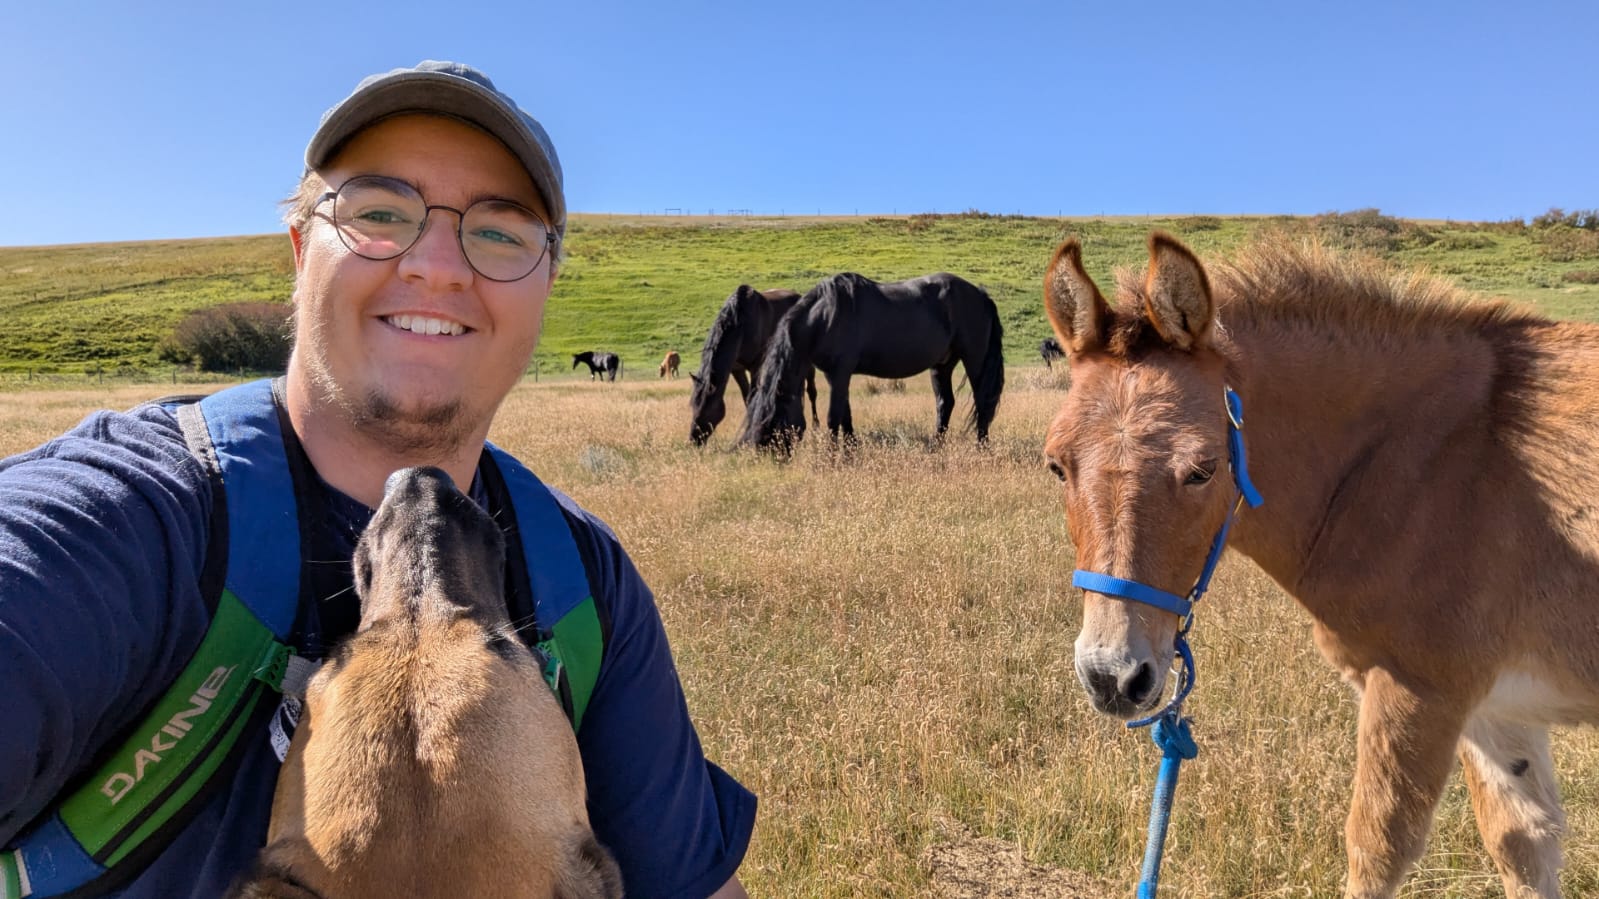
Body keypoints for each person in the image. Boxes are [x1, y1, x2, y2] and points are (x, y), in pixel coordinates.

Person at [0, 61, 755, 898]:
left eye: (500, 232)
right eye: (379, 213)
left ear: (547, 286)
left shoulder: (586, 582)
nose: (436, 265)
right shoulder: (128, 525)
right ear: (298, 251)